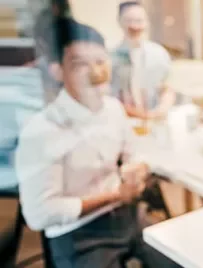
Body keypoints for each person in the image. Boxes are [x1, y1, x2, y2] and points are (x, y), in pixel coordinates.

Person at [15, 18, 180, 267]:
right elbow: (38, 215)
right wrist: (115, 195)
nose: (96, 72)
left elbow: (133, 153)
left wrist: (136, 169)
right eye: (81, 63)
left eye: (101, 61)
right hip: (78, 234)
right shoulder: (41, 131)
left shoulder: (113, 108)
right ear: (57, 70)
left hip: (128, 217)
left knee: (184, 259)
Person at [111, 1, 175, 121]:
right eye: (129, 20)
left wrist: (159, 112)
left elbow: (167, 89)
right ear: (119, 22)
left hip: (156, 122)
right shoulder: (110, 59)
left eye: (139, 21)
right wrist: (140, 116)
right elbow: (109, 99)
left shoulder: (159, 54)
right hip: (124, 123)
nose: (135, 26)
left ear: (147, 23)